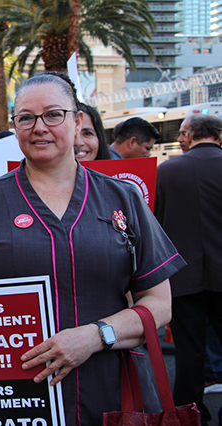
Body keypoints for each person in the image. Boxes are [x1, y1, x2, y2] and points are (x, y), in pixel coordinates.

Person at [0, 73, 185, 426]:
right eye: (26, 118)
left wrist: (94, 336)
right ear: (15, 127)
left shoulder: (122, 198)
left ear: (76, 122)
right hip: (16, 398)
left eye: (53, 115)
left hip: (112, 387)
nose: (39, 127)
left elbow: (159, 304)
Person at [154, 113, 222, 426]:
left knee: (188, 351)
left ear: (191, 136)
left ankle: (191, 414)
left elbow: (158, 226)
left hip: (183, 277)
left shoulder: (166, 171)